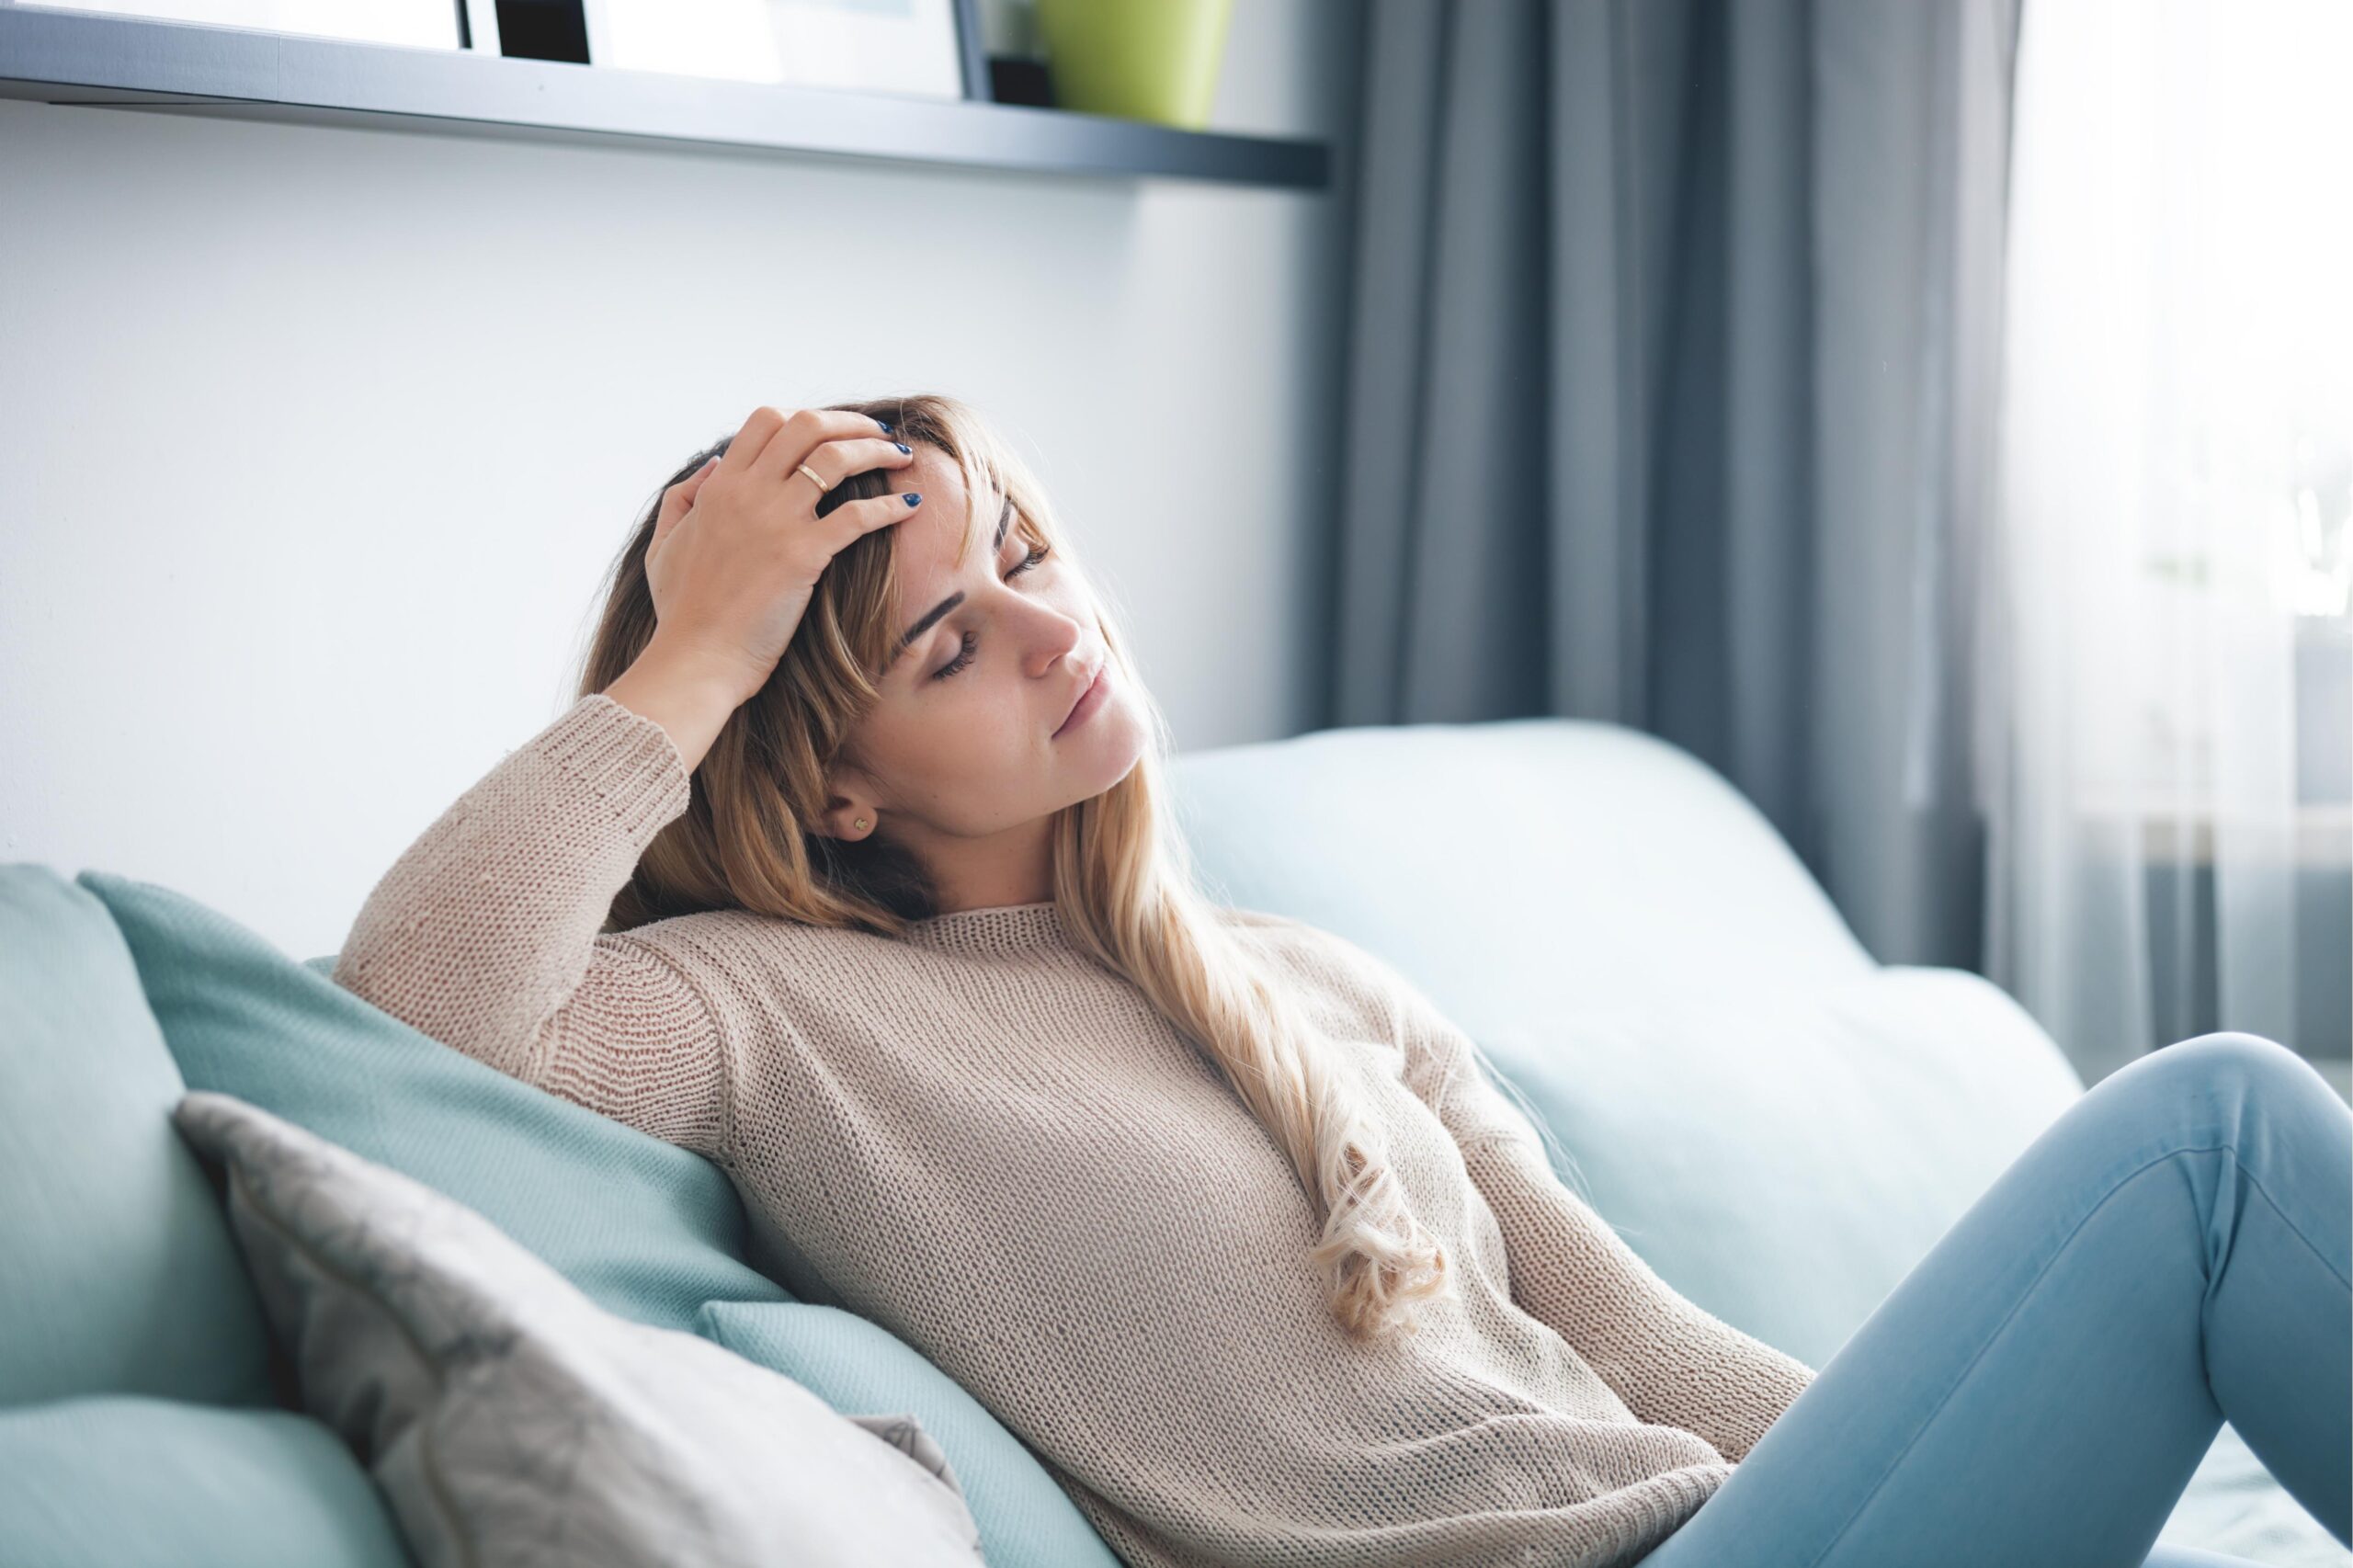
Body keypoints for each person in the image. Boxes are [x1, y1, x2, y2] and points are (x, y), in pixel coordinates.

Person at [333, 396, 2351, 1568]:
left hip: (1712, 1536)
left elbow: (1646, 1352)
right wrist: (689, 659)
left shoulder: (1314, 982)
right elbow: (408, 1027)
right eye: (944, 645)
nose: (1045, 629)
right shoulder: (761, 1011)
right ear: (829, 776)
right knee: (2218, 1138)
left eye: (1024, 552)